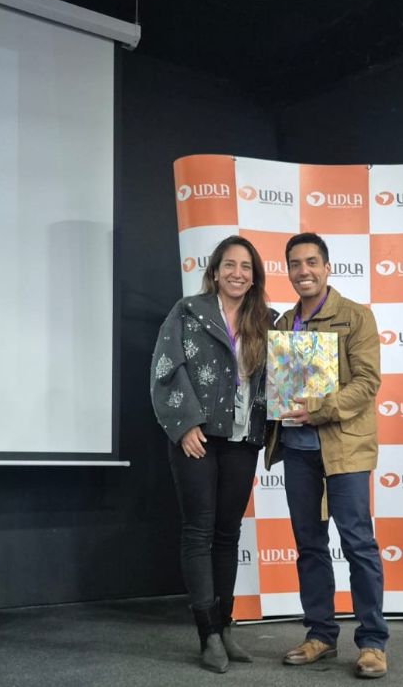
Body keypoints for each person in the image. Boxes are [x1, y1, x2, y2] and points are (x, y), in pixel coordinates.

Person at [265, 232, 389, 679]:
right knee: (309, 547)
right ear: (288, 271)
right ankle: (320, 635)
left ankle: (372, 643)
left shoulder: (356, 316)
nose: (304, 271)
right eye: (295, 264)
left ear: (327, 267)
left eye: (312, 262)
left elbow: (367, 383)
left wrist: (319, 408)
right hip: (297, 452)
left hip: (346, 450)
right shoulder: (283, 324)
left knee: (358, 544)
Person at [151, 235, 274, 674]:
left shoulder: (268, 321)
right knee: (198, 530)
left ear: (254, 276)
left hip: (243, 438)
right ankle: (207, 635)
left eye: (246, 267)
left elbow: (280, 380)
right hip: (198, 437)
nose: (238, 273)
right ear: (215, 271)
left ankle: (225, 627)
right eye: (230, 265)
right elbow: (167, 367)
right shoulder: (187, 311)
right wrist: (185, 424)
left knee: (227, 534)